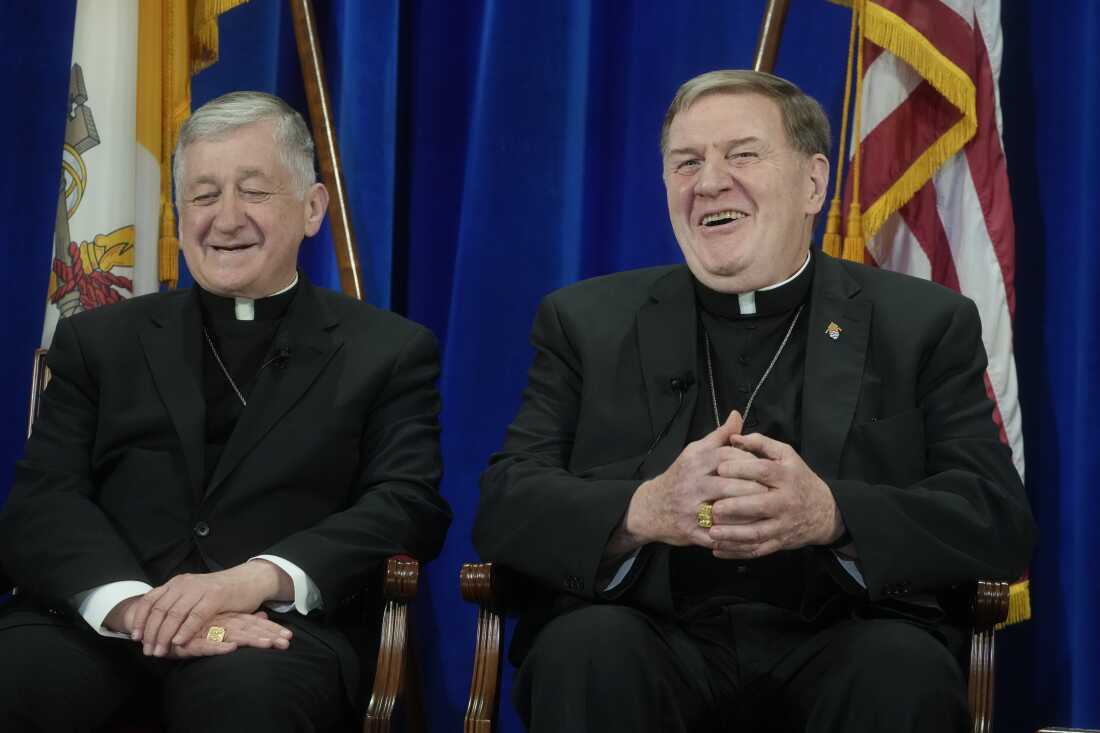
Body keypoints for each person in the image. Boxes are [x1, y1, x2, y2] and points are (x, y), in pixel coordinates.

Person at [473, 70, 1035, 733]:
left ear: (814, 183)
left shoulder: (922, 324)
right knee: (585, 650)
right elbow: (505, 503)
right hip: (647, 633)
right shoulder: (585, 323)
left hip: (845, 633)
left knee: (901, 668)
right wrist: (643, 509)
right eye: (687, 162)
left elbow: (997, 519)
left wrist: (832, 512)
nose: (709, 181)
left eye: (742, 154)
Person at [0, 91, 451, 732]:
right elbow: (44, 502)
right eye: (204, 196)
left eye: (255, 191)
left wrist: (254, 581)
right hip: (97, 620)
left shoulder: (388, 351)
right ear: (179, 214)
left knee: (247, 708)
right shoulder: (98, 342)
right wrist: (135, 608)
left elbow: (405, 505)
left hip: (273, 632)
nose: (226, 219)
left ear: (313, 208)